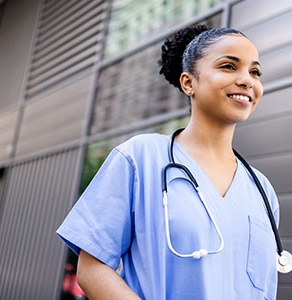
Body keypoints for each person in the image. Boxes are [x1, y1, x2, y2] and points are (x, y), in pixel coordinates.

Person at [57, 24, 280, 299]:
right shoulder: (141, 158)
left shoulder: (262, 191)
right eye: (229, 66)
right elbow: (92, 269)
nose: (247, 80)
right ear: (189, 83)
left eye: (255, 71)